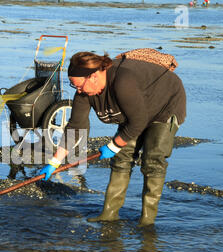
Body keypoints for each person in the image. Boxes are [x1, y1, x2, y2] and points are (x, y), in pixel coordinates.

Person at [39, 51, 186, 226]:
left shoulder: (122, 82)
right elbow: (75, 127)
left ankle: (147, 220)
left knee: (153, 160)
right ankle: (109, 213)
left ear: (93, 76)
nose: (78, 91)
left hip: (164, 104)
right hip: (136, 108)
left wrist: (114, 145)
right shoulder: (85, 93)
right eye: (74, 86)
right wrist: (55, 161)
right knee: (121, 159)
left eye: (79, 86)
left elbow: (137, 122)